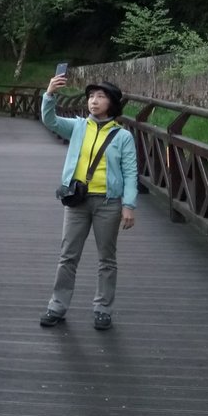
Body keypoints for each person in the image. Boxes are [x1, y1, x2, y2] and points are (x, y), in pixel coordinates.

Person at [39, 75, 138, 331]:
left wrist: (129, 205)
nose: (94, 101)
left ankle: (103, 308)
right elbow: (49, 120)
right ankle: (57, 306)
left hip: (109, 203)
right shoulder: (78, 127)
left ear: (112, 103)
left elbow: (130, 173)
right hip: (77, 201)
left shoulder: (123, 136)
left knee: (107, 258)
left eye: (100, 96)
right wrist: (49, 94)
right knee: (67, 256)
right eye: (91, 96)